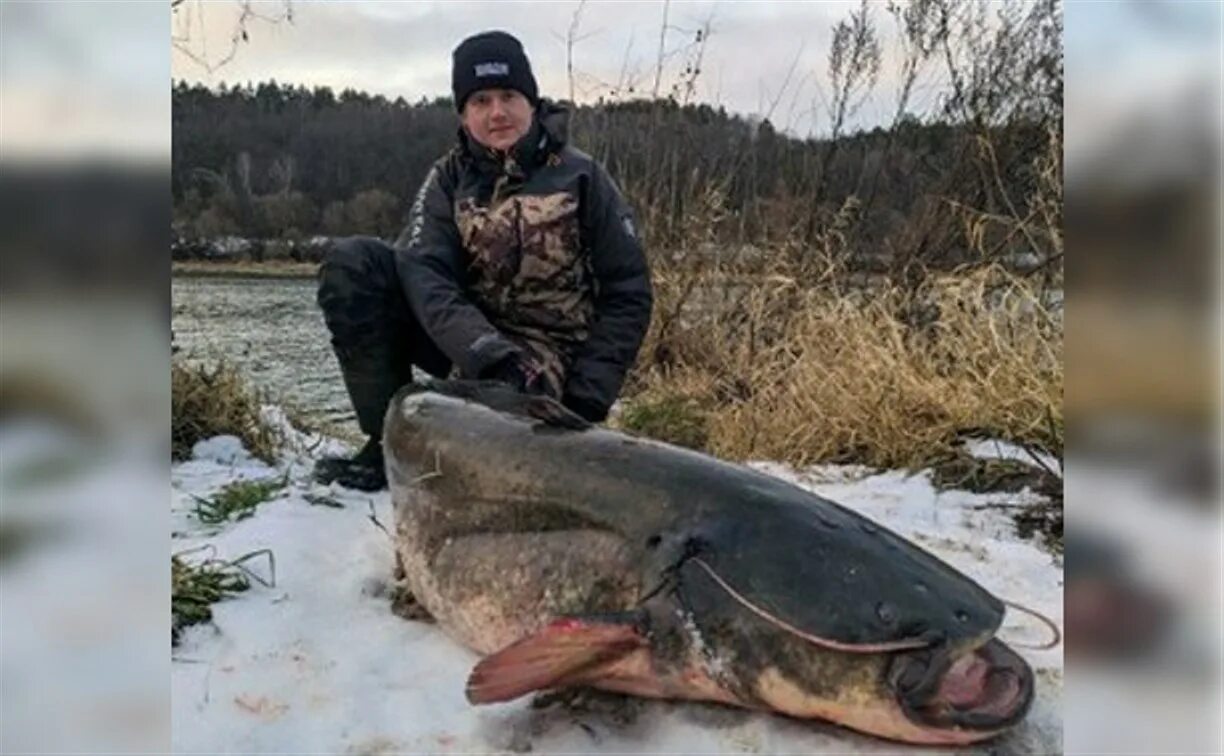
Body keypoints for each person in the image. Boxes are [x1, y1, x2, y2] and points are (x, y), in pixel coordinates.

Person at [314, 30, 653, 491]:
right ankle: (383, 444)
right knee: (354, 264)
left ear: (531, 102)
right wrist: (483, 351)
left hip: (546, 356)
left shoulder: (583, 177)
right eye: (481, 101)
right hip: (469, 343)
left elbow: (628, 292)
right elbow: (424, 272)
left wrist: (586, 400)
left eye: (509, 96)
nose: (497, 113)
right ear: (464, 113)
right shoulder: (446, 179)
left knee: (484, 455)